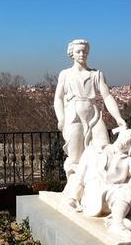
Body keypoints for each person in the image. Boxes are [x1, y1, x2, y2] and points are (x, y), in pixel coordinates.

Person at [63, 129, 131, 239]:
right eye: (126, 136)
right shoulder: (92, 151)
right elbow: (80, 177)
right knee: (128, 192)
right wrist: (73, 199)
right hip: (92, 196)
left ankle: (117, 223)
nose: (127, 141)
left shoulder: (128, 161)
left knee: (130, 189)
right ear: (120, 135)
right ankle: (121, 221)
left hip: (113, 197)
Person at [54, 39, 127, 179]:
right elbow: (57, 98)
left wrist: (118, 117)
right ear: (72, 54)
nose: (82, 54)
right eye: (78, 51)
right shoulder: (65, 74)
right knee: (75, 156)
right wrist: (61, 119)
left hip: (93, 115)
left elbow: (107, 97)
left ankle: (99, 183)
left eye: (85, 51)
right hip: (73, 115)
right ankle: (75, 188)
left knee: (104, 148)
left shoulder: (96, 74)